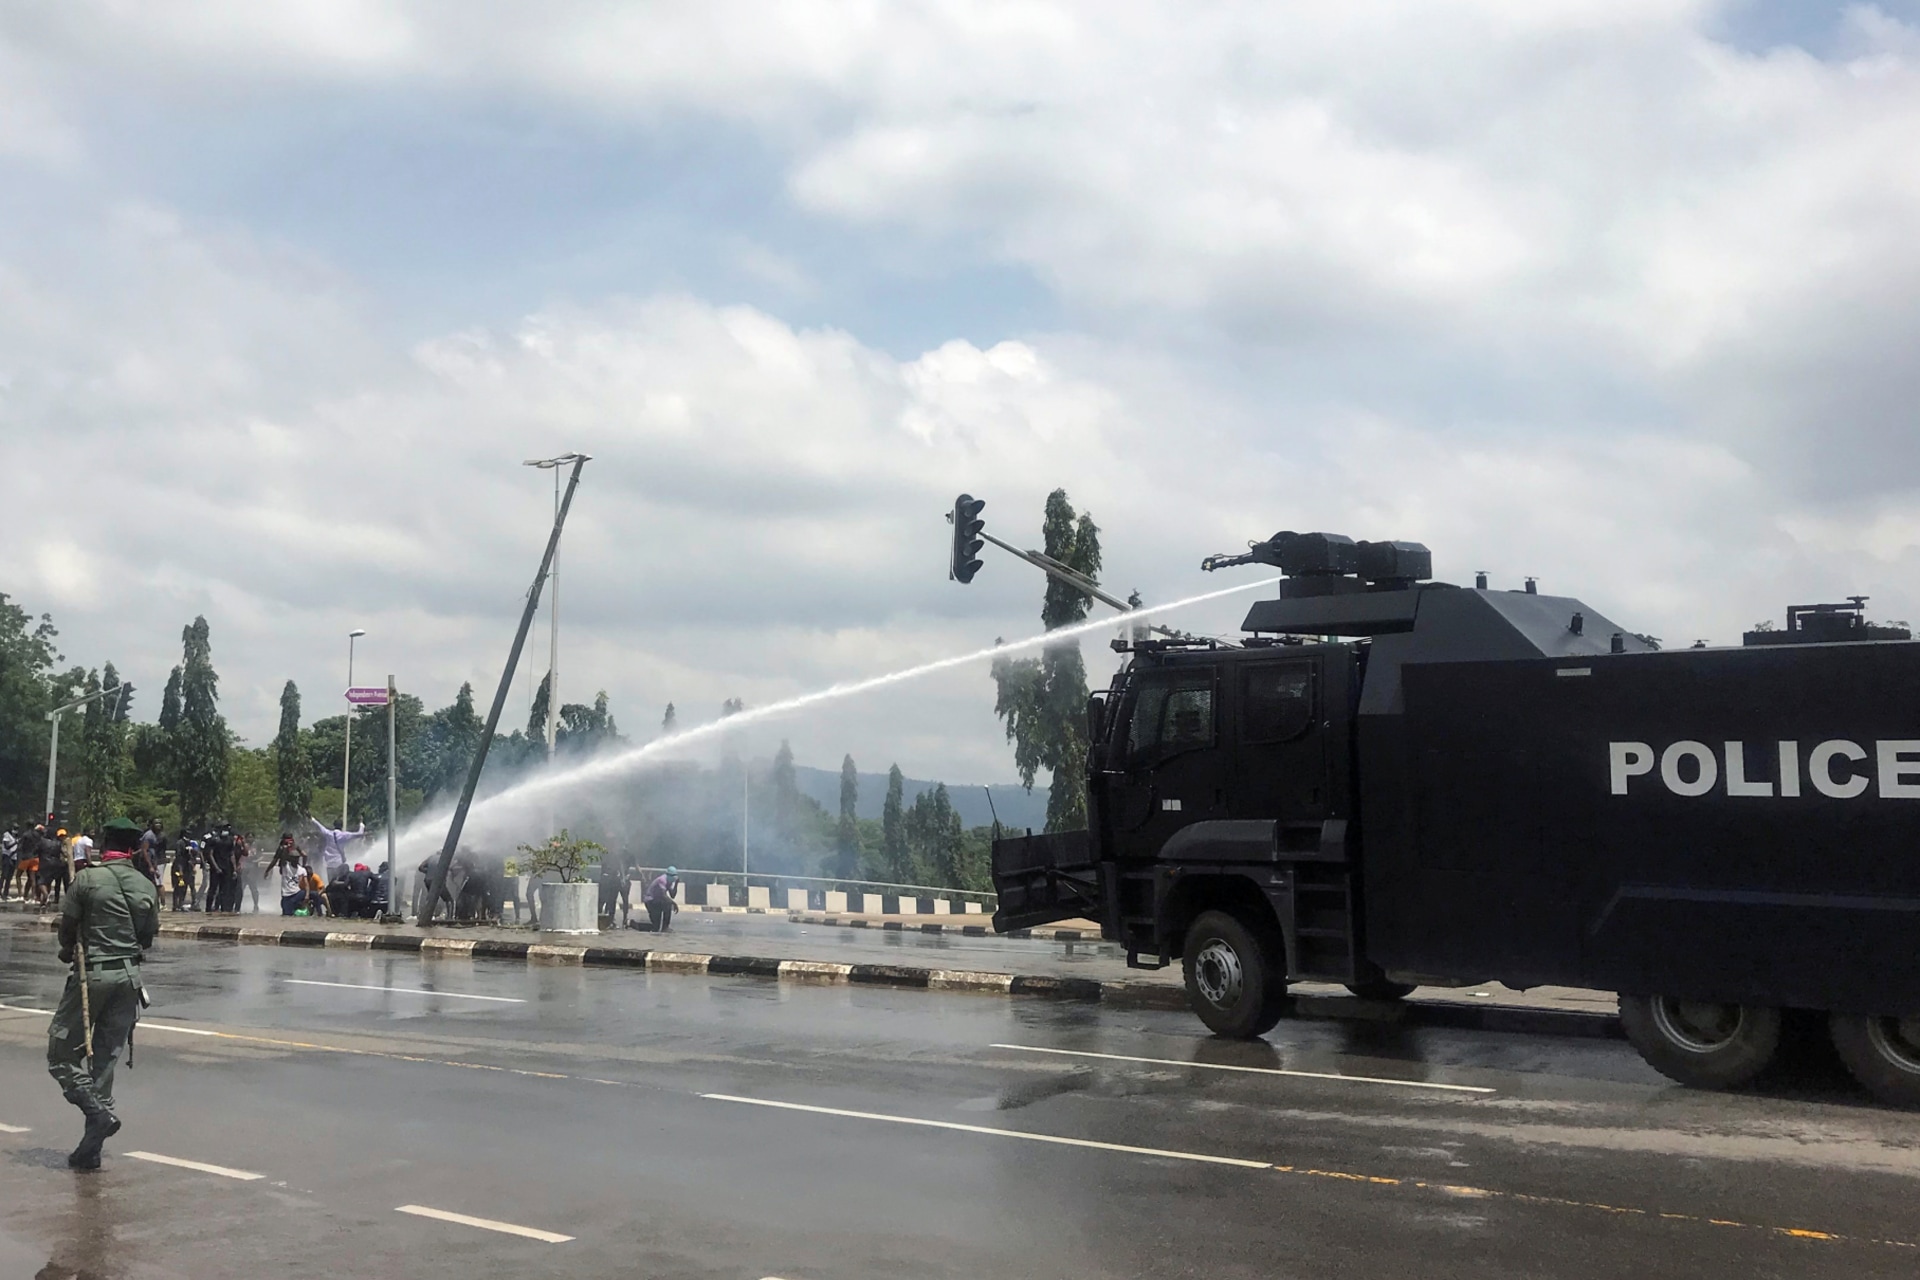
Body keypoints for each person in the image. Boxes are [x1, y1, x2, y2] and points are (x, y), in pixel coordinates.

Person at [49, 816, 159, 1170]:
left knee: (62, 1055)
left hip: (92, 975)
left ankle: (96, 1114)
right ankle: (91, 1150)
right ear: (133, 848)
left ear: (102, 844)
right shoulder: (145, 886)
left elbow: (67, 932)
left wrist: (68, 950)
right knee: (105, 1063)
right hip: (129, 978)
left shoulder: (87, 879)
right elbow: (147, 938)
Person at [641, 867, 679, 933]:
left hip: (657, 902)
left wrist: (676, 884)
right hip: (651, 901)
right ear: (668, 875)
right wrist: (674, 903)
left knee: (655, 927)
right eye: (672, 876)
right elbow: (663, 895)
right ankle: (633, 924)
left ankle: (665, 927)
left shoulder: (669, 881)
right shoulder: (662, 880)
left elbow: (672, 895)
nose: (674, 878)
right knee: (655, 927)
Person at [278, 850, 314, 916]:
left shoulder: (302, 870)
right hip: (286, 895)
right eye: (293, 858)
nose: (295, 860)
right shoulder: (285, 867)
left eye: (297, 858)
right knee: (287, 914)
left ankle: (317, 912)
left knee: (315, 895)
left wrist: (307, 895)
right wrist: (284, 848)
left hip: (297, 893)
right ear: (290, 858)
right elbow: (281, 858)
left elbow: (306, 884)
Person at [134, 818, 166, 886]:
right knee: (149, 882)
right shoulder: (149, 835)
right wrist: (150, 866)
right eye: (156, 823)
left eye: (159, 823)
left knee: (154, 882)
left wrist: (154, 865)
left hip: (152, 861)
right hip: (146, 863)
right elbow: (145, 850)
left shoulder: (157, 835)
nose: (158, 825)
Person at [170, 837, 197, 912]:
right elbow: (178, 859)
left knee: (184, 886)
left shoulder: (190, 844)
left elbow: (192, 857)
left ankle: (180, 903)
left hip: (186, 868)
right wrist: (180, 870)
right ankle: (175, 905)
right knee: (178, 886)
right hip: (178, 868)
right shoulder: (179, 843)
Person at [1, 824, 18, 900]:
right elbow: (7, 846)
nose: (16, 830)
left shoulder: (15, 836)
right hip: (7, 857)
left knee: (9, 877)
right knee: (4, 875)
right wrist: (15, 843)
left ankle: (6, 893)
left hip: (13, 857)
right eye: (15, 828)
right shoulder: (7, 835)